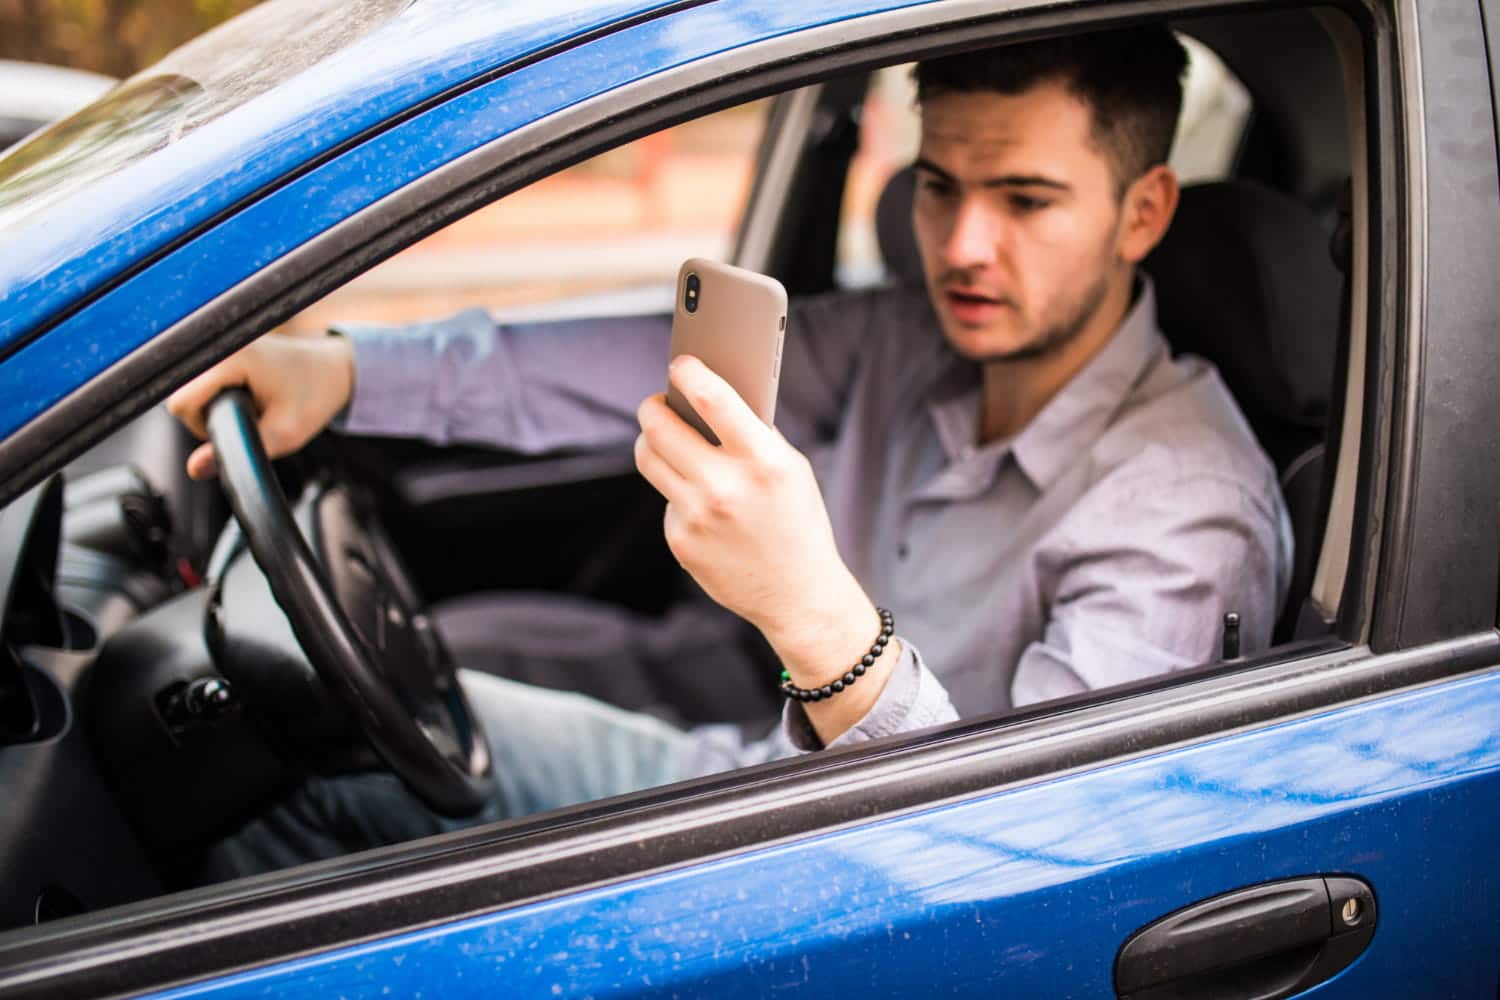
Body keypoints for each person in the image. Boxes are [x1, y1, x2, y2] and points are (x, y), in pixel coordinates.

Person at [168, 27, 1291, 874]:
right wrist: (347, 369)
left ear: (1142, 213)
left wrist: (815, 618)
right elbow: (621, 364)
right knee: (399, 682)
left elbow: (1043, 869)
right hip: (754, 734)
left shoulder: (1182, 513)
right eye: (939, 186)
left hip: (834, 856)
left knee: (307, 768)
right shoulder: (919, 338)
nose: (961, 244)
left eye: (1027, 199)